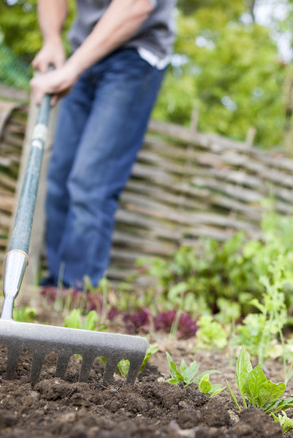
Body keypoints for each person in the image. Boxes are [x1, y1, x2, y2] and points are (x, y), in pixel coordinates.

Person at [29, 0, 176, 290]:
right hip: (83, 51)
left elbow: (137, 4)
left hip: (136, 51)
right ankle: (54, 288)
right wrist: (52, 40)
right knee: (59, 178)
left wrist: (73, 67)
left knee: (90, 182)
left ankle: (76, 297)